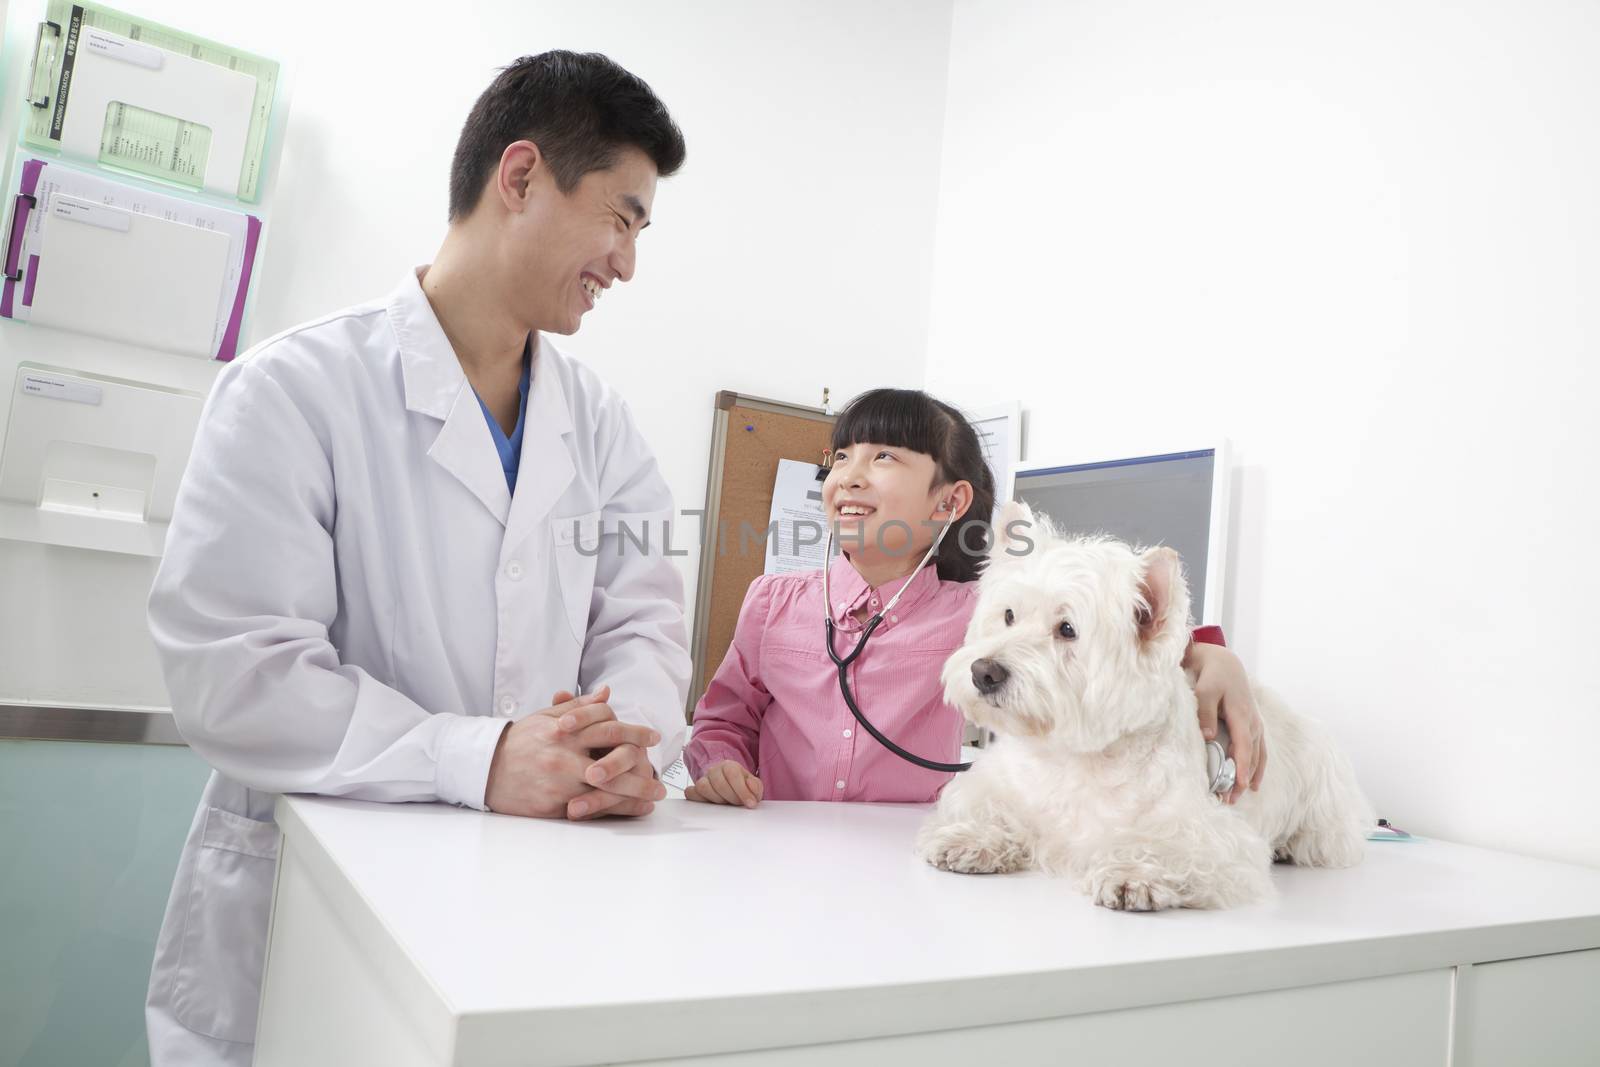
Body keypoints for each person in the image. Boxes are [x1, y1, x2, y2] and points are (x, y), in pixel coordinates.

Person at [144, 51, 689, 1066]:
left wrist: (625, 743)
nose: (625, 263)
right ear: (519, 177)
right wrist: (474, 755)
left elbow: (645, 618)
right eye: (619, 217)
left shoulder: (603, 426)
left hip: (535, 904)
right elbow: (235, 674)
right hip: (312, 920)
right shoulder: (292, 392)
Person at [683, 388, 1263, 807]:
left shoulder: (977, 616)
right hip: (773, 850)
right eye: (841, 457)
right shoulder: (772, 602)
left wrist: (1214, 655)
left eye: (882, 457)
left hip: (902, 857)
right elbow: (724, 721)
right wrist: (721, 766)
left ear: (950, 502)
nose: (850, 476)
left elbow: (1116, 637)